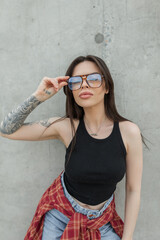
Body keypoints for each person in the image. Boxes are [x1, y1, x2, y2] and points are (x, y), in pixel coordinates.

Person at [0, 55, 144, 240]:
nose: (84, 85)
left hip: (102, 221)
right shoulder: (66, 127)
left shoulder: (129, 132)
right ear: (71, 91)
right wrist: (39, 97)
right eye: (76, 81)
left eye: (93, 79)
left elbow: (133, 189)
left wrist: (128, 237)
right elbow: (6, 131)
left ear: (107, 86)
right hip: (61, 216)